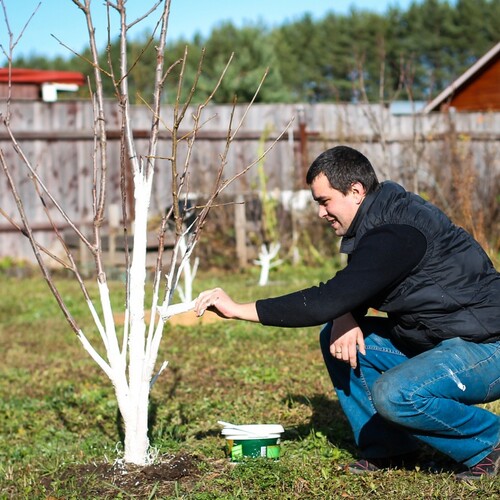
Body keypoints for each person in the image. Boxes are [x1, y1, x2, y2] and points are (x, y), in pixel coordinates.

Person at [194, 145, 500, 480]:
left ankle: (490, 443)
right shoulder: (378, 218)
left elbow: (328, 299)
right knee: (337, 337)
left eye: (324, 201)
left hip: (487, 346)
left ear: (356, 191)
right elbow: (356, 286)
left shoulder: (396, 231)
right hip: (443, 338)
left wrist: (239, 309)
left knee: (396, 394)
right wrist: (345, 315)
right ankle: (390, 448)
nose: (321, 213)